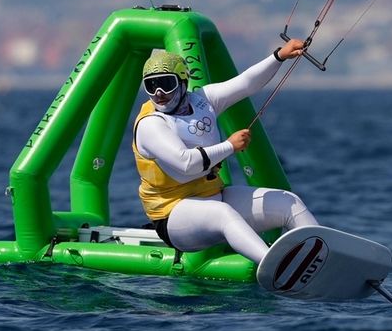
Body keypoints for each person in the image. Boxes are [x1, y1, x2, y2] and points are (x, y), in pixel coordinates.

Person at [132, 38, 319, 265]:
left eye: (166, 83)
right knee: (222, 214)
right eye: (151, 85)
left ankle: (323, 256)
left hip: (213, 197)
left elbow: (246, 83)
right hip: (172, 216)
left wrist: (279, 56)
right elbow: (186, 163)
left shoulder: (203, 100)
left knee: (288, 202)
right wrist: (230, 146)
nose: (159, 93)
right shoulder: (150, 124)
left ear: (183, 81)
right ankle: (274, 266)